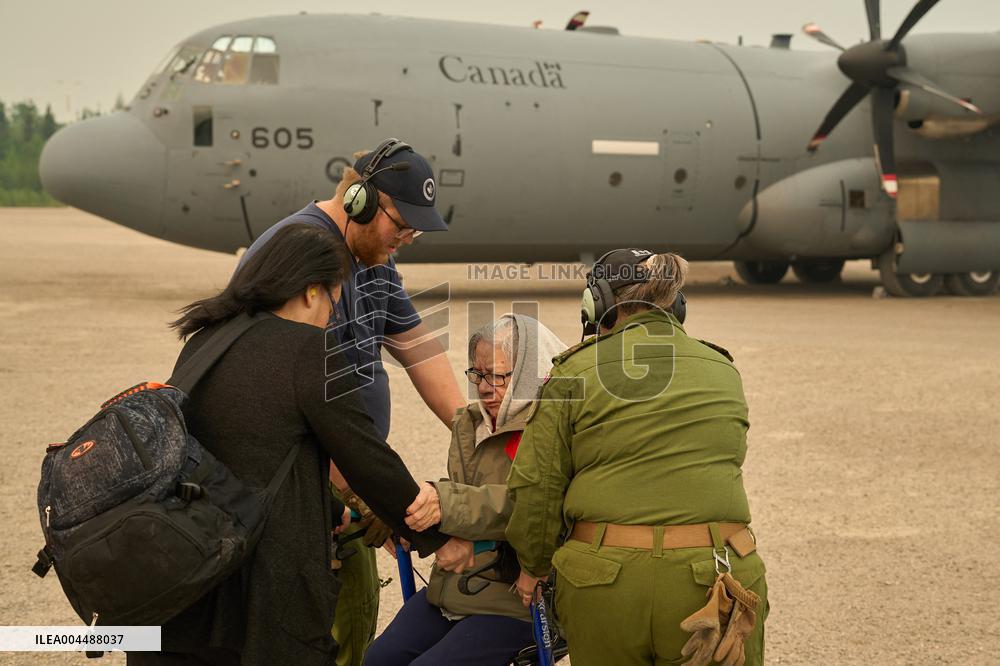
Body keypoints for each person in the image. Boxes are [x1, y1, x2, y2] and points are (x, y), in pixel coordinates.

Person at [129, 224, 469, 666]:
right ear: (311, 292)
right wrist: (437, 537)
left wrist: (334, 511)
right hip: (264, 591)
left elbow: (236, 453)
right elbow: (363, 453)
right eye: (334, 299)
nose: (333, 314)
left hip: (190, 578)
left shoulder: (206, 340)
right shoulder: (310, 350)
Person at [236, 138, 466, 664]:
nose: (407, 237)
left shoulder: (372, 256)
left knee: (353, 618)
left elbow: (416, 346)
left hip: (345, 476)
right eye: (401, 224)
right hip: (302, 483)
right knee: (332, 627)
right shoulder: (303, 257)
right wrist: (378, 502)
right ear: (360, 199)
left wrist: (474, 426)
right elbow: (297, 406)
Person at [505, 249, 769, 666]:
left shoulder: (574, 371)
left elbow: (537, 487)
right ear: (676, 306)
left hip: (604, 584)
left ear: (599, 305)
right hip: (713, 579)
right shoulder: (722, 369)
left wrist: (533, 566)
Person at [364, 314, 567, 666]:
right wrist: (416, 515)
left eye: (498, 376)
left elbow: (530, 506)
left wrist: (441, 503)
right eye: (477, 374)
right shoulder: (470, 425)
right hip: (454, 589)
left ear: (529, 373)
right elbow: (463, 497)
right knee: (379, 659)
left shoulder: (550, 430)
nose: (485, 387)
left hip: (517, 602)